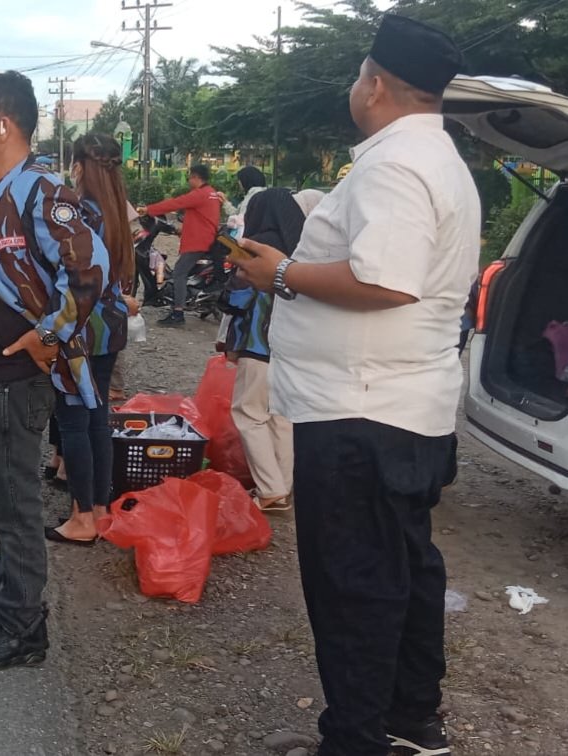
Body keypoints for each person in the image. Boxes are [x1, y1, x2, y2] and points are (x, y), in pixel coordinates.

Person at [236, 15, 475, 756]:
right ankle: (409, 720)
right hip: (398, 408)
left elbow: (383, 278)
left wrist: (278, 272)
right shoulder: (434, 158)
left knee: (354, 586)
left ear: (375, 84)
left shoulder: (397, 165)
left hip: (362, 415)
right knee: (404, 572)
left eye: (356, 74)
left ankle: (353, 739)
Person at [0, 71, 109, 671]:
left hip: (10, 381)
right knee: (0, 499)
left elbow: (89, 267)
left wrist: (51, 332)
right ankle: (16, 599)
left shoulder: (40, 190)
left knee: (14, 507)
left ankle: (23, 629)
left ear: (4, 125)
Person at [45, 133, 136, 546]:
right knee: (98, 418)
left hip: (81, 326)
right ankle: (99, 508)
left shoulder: (79, 212)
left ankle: (82, 518)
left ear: (80, 166)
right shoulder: (116, 210)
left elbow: (68, 274)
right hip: (111, 325)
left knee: (74, 421)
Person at [224, 188, 308, 513]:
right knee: (280, 416)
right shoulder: (303, 251)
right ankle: (282, 487)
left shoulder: (254, 248)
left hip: (258, 346)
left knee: (248, 414)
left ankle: (270, 489)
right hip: (291, 351)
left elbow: (237, 300)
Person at [140, 164, 222, 327]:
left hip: (198, 242)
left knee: (179, 274)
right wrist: (180, 230)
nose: (188, 180)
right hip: (206, 238)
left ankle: (178, 312)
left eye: (189, 176)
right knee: (184, 272)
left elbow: (175, 203)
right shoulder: (211, 193)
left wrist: (147, 209)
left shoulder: (199, 194)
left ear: (196, 177)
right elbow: (202, 218)